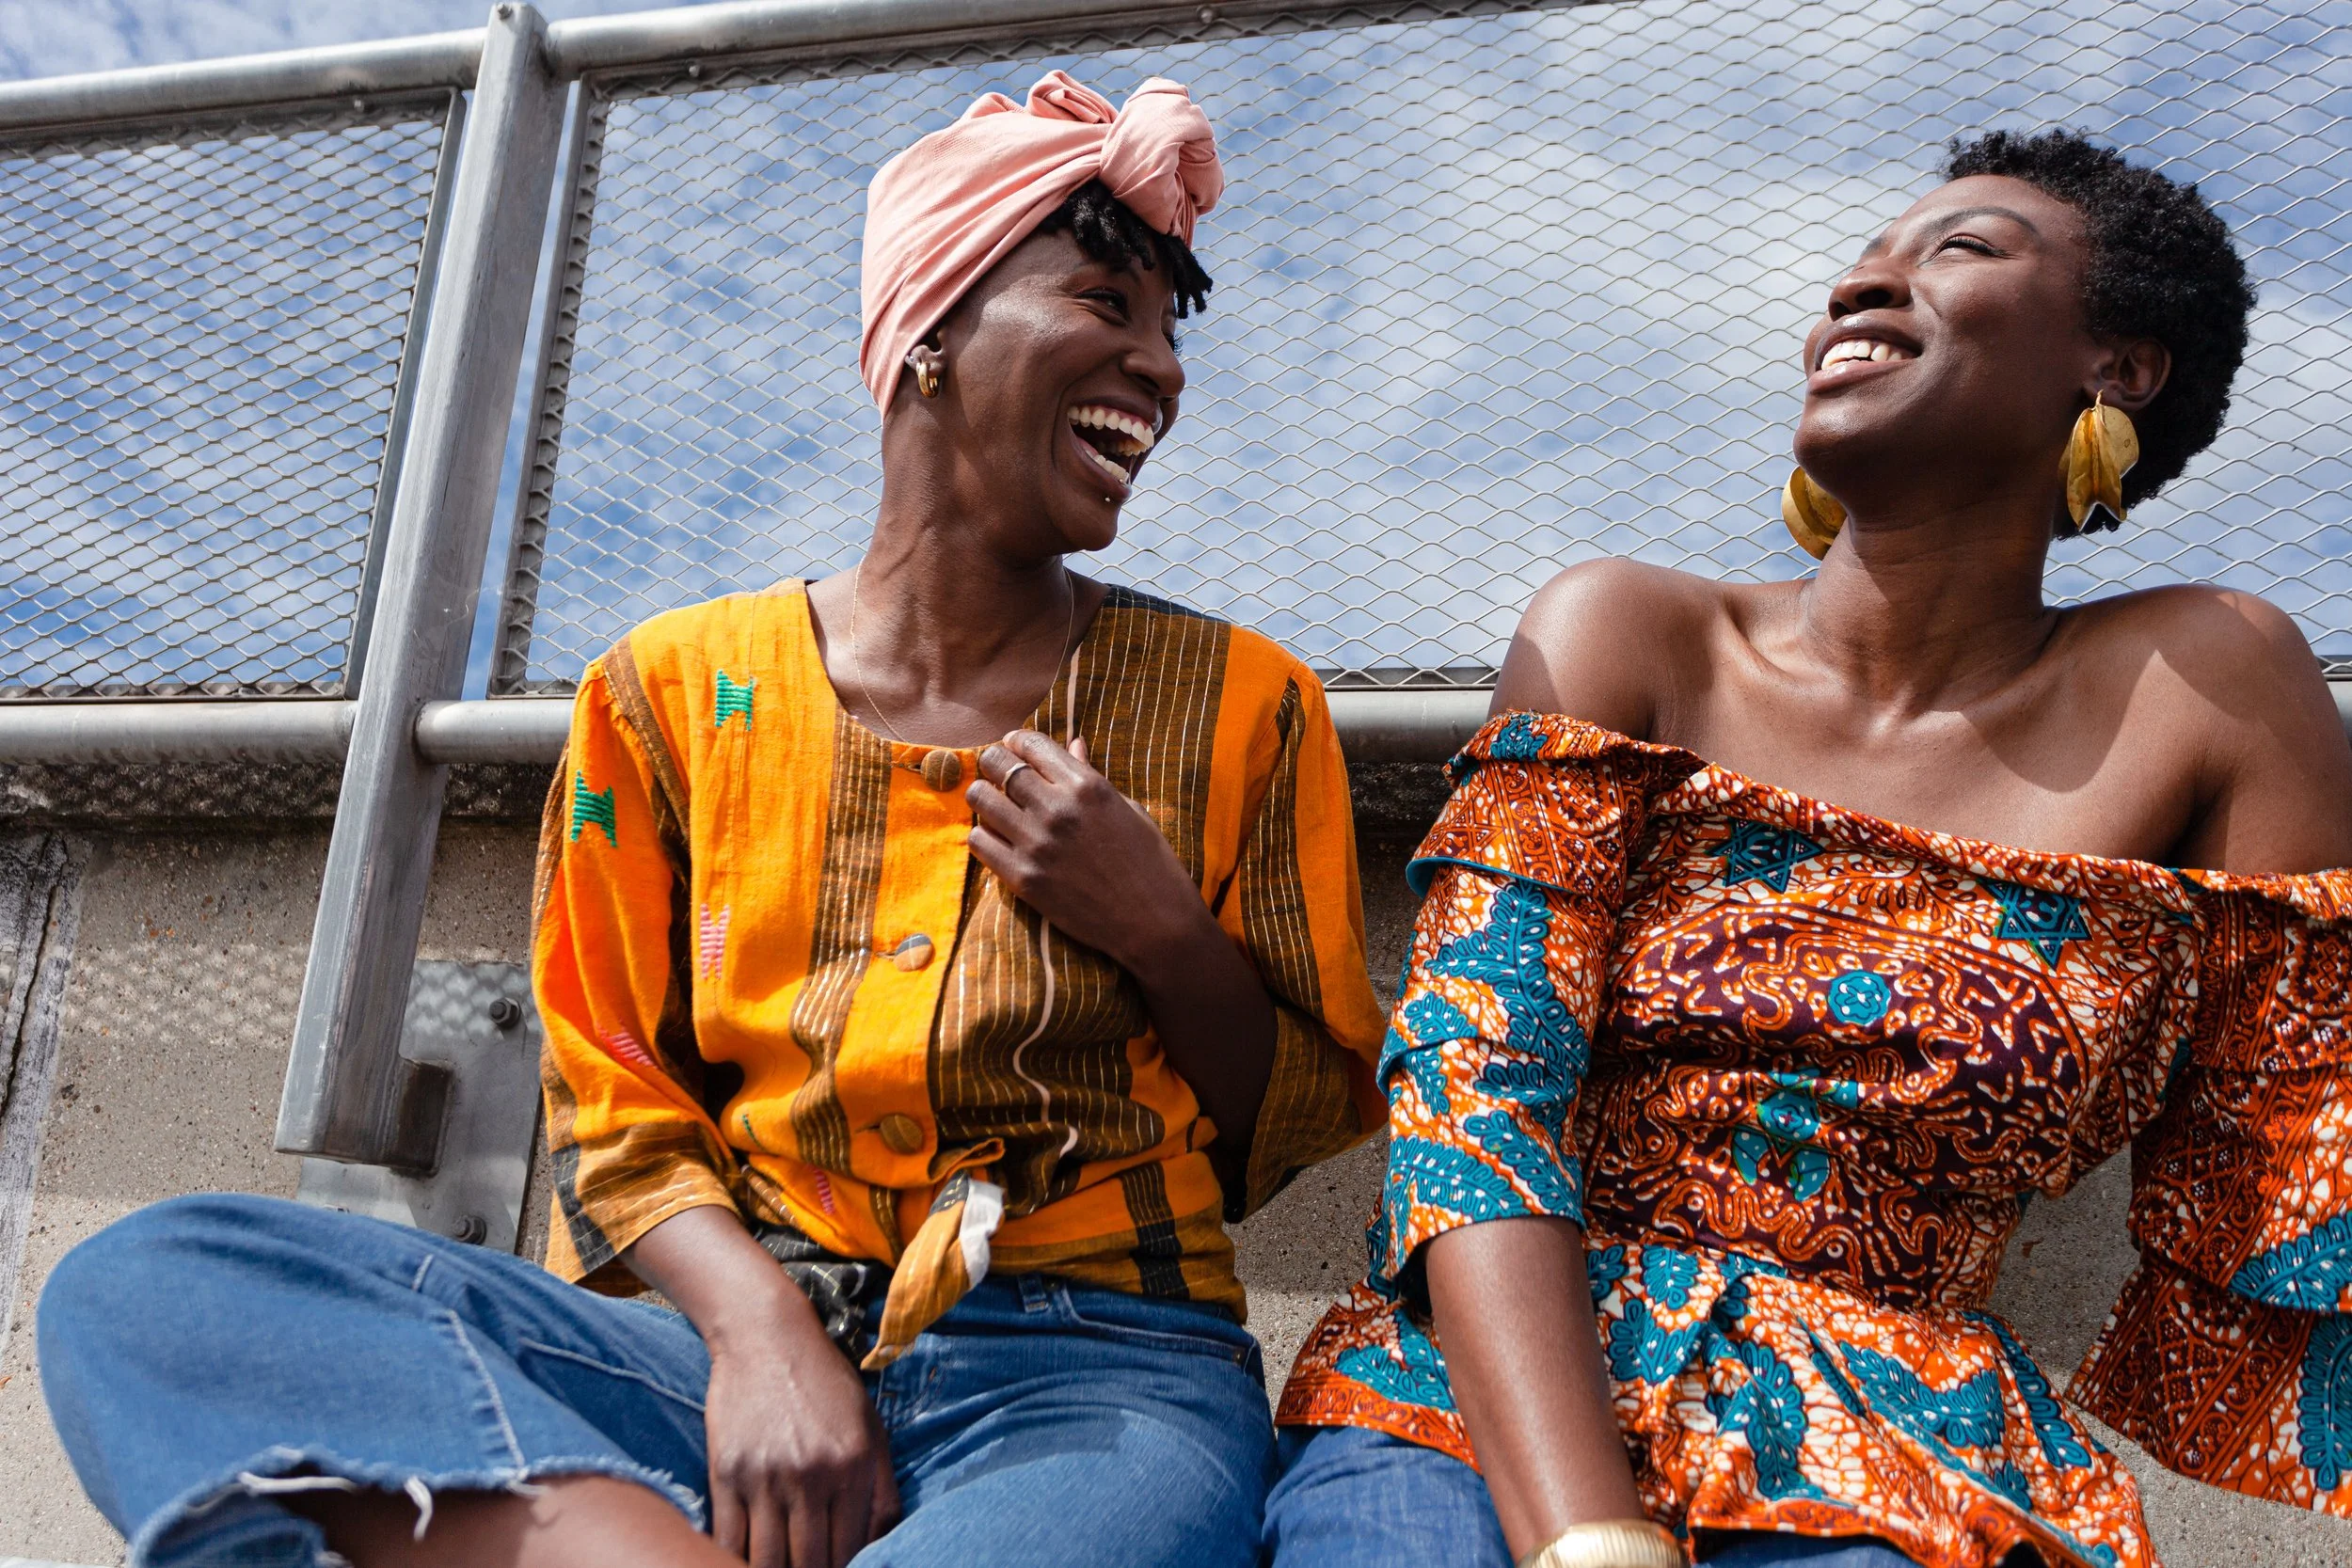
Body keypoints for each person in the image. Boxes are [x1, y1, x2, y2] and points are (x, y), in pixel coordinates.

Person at [39, 72, 1387, 1568]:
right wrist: (756, 1335)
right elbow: (608, 1099)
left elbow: (1291, 1125)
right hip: (712, 1364)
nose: (1159, 367)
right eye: (1105, 302)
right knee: (148, 1291)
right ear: (931, 333)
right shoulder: (669, 696)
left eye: (1166, 328)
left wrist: (1159, 926)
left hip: (1097, 1383)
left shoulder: (1246, 705)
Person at [1264, 129, 2352, 1568]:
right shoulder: (1629, 634)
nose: (1862, 288)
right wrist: (1588, 1533)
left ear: (2119, 368)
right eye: (1860, 268)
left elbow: (2302, 1143)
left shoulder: (2208, 688)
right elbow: (1474, 1103)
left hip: (1913, 1466)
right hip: (1476, 1402)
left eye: (1957, 250)